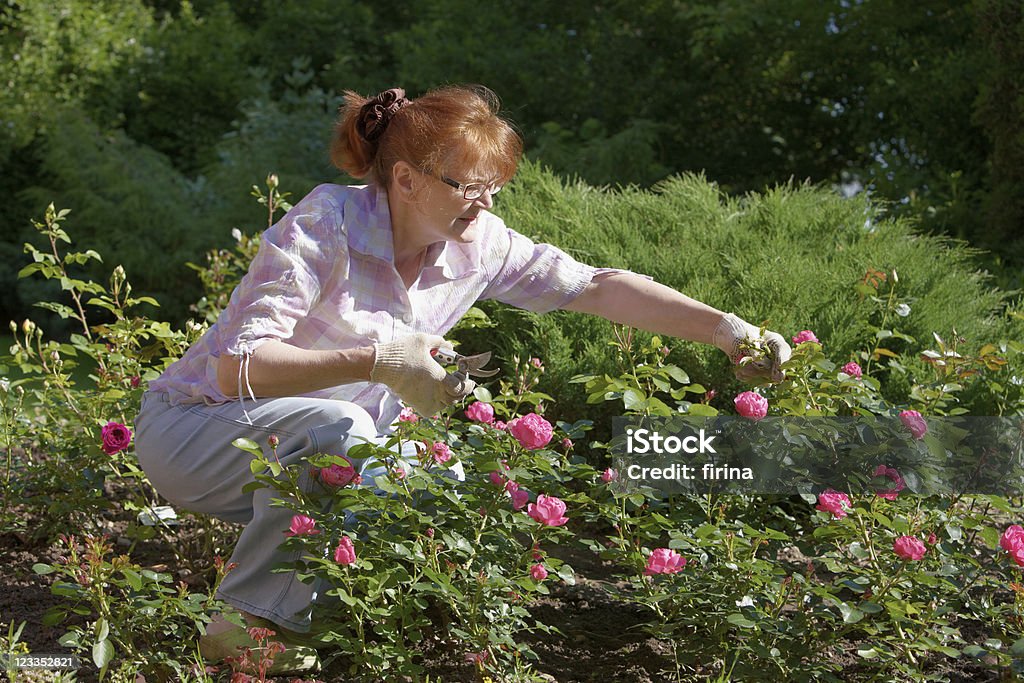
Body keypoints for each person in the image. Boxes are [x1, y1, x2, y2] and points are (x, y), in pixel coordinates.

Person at [134, 84, 791, 673]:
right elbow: (238, 365)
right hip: (196, 430)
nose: (483, 204)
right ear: (406, 179)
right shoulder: (323, 227)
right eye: (467, 186)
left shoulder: (479, 244)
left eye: (493, 188)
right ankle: (240, 624)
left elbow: (595, 286)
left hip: (309, 453)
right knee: (344, 427)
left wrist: (728, 330)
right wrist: (378, 359)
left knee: (452, 482)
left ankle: (377, 631)